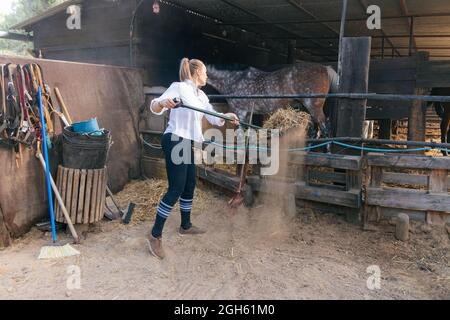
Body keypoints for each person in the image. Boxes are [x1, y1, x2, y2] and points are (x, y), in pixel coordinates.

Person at [147, 58, 239, 259]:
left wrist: (228, 116)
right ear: (197, 73)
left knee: (189, 184)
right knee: (176, 188)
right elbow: (154, 106)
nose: (207, 75)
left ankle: (185, 225)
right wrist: (164, 102)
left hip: (188, 142)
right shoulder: (178, 87)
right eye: (205, 72)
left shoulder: (201, 96)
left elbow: (213, 116)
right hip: (175, 139)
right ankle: (155, 235)